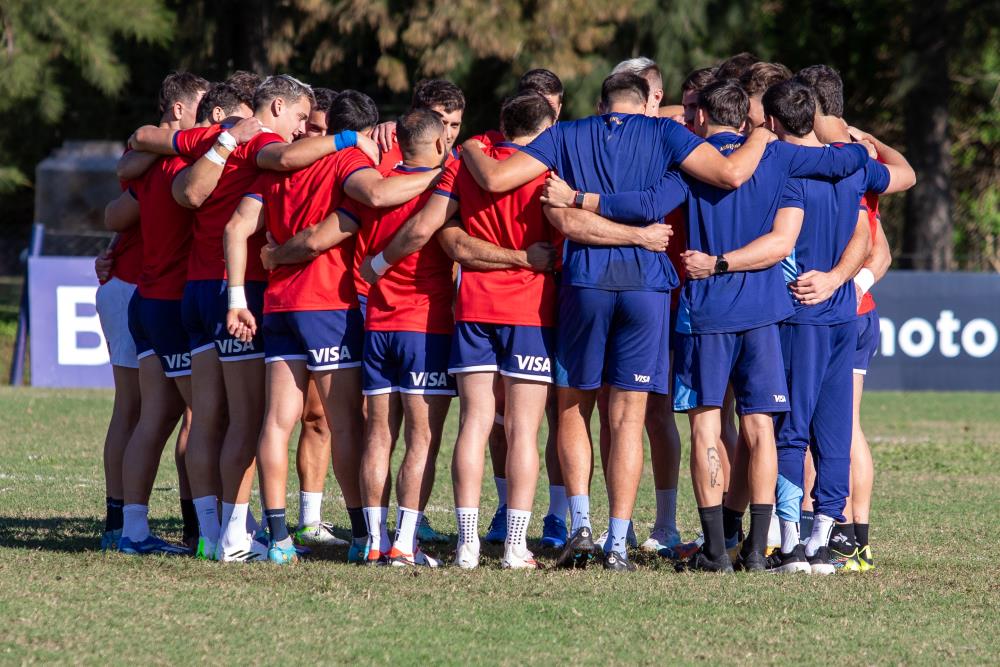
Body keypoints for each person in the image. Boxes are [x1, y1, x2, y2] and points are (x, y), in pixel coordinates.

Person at [548, 79, 872, 572]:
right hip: (764, 315)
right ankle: (757, 549)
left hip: (705, 314)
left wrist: (582, 199)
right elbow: (842, 164)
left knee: (705, 426)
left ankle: (716, 549)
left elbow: (645, 205)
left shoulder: (690, 167)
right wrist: (854, 142)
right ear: (746, 119)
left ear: (700, 117)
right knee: (759, 426)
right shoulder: (778, 158)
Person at [459, 71, 773, 571]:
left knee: (573, 408)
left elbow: (498, 180)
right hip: (647, 288)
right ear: (645, 104)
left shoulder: (566, 134)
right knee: (628, 419)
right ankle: (619, 544)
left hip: (584, 284)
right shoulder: (666, 133)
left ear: (602, 104)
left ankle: (581, 526)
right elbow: (726, 175)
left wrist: (470, 148)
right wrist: (760, 133)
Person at [126, 74, 380, 559]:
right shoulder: (262, 142)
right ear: (277, 106)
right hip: (234, 287)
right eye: (300, 117)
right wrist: (348, 138)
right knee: (244, 419)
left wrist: (219, 141)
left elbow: (155, 154)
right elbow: (283, 162)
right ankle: (234, 536)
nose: (302, 130)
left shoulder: (216, 135)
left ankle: (211, 533)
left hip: (195, 287)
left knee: (207, 418)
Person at [760, 79, 914, 574]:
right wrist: (839, 280)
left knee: (791, 431)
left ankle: (790, 544)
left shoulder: (777, 165)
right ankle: (823, 545)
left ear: (773, 122)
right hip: (844, 312)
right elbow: (888, 199)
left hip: (800, 312)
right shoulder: (853, 165)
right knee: (834, 433)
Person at [97, 71, 208, 555]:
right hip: (141, 289)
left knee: (168, 413)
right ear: (178, 110)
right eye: (203, 106)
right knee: (145, 409)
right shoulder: (165, 153)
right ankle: (125, 522)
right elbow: (117, 211)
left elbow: (120, 213)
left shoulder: (166, 156)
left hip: (149, 290)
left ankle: (150, 527)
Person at [798, 64, 901, 572]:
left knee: (828, 427)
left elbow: (873, 246)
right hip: (855, 308)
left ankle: (833, 532)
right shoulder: (864, 155)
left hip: (836, 310)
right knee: (843, 425)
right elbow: (884, 244)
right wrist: (870, 138)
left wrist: (846, 286)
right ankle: (852, 537)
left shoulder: (828, 160)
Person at [348, 109, 459, 567]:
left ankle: (374, 541)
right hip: (424, 325)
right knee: (421, 438)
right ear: (439, 143)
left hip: (378, 322)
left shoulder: (380, 183)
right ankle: (404, 544)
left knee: (378, 435)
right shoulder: (442, 185)